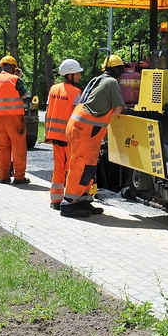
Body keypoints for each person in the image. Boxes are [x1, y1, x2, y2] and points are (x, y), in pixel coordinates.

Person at [61, 55, 126, 218]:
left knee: (89, 165)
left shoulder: (97, 79)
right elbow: (118, 108)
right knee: (79, 164)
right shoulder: (111, 82)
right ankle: (68, 203)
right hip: (85, 129)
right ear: (118, 70)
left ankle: (83, 199)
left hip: (83, 127)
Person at [45, 58, 83, 210]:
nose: (79, 76)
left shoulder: (53, 89)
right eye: (77, 73)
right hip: (68, 138)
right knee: (71, 169)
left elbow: (48, 111)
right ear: (70, 75)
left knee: (58, 168)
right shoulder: (76, 92)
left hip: (54, 136)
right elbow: (78, 116)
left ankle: (55, 200)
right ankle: (69, 199)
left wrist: (47, 133)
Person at [0, 55, 30, 184]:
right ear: (13, 67)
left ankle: (2, 175)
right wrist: (19, 77)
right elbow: (24, 95)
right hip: (15, 118)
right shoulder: (15, 79)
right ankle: (19, 176)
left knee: (2, 147)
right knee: (18, 146)